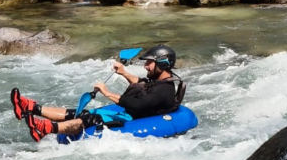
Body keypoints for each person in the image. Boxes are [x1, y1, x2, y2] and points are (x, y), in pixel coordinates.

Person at [11, 45, 181, 142]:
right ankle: (32, 108)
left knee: (90, 119)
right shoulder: (159, 81)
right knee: (78, 113)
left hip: (136, 118)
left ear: (163, 64)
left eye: (150, 63)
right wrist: (124, 72)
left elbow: (137, 104)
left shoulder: (164, 90)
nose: (146, 66)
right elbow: (142, 84)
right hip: (131, 114)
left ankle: (46, 129)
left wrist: (107, 93)